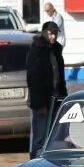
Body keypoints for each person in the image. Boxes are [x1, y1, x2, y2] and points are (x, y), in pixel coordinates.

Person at [27, 21, 67, 156]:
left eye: (55, 34)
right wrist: (40, 105)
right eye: (51, 33)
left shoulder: (56, 49)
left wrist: (64, 98)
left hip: (56, 99)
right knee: (39, 137)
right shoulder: (37, 50)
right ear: (44, 32)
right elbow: (34, 79)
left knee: (53, 136)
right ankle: (35, 162)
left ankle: (50, 162)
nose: (53, 37)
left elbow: (60, 76)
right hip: (42, 102)